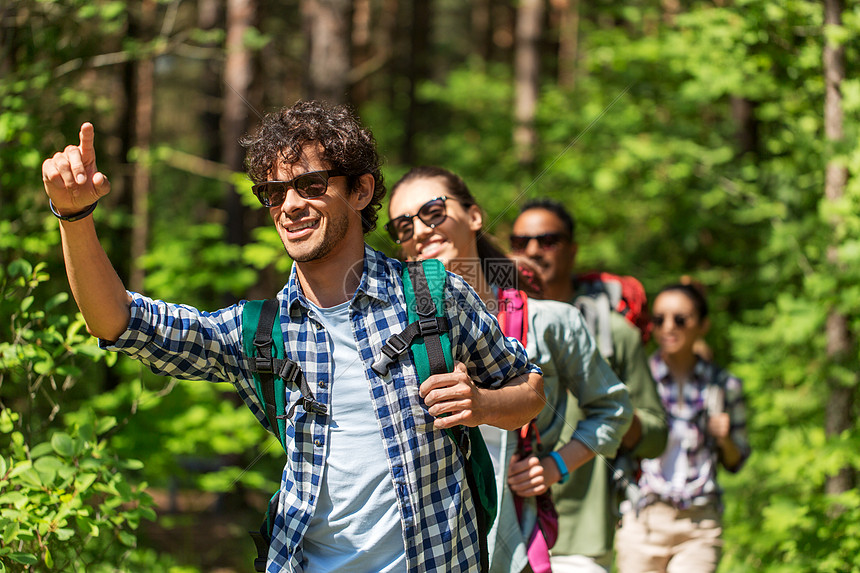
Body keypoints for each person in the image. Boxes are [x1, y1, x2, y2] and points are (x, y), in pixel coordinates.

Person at [40, 101, 546, 573]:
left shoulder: (436, 295)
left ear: (362, 190)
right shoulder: (258, 331)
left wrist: (481, 405)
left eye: (310, 184)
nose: (289, 205)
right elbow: (117, 322)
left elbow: (530, 392)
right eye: (274, 193)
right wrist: (75, 216)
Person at [386, 166, 633, 573]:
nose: (420, 230)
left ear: (475, 217)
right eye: (403, 225)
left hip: (517, 542)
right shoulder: (395, 335)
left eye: (433, 210)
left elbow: (614, 409)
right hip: (429, 548)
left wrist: (555, 465)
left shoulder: (550, 322)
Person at [511, 199, 668, 572]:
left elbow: (656, 436)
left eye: (548, 240)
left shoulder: (614, 334)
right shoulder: (494, 327)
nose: (533, 250)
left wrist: (605, 404)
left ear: (573, 250)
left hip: (582, 532)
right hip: (506, 525)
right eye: (521, 243)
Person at [615, 283, 751, 573]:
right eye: (659, 319)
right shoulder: (637, 381)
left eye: (680, 319)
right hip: (643, 521)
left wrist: (725, 439)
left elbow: (736, 461)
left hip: (699, 525)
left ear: (702, 325)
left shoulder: (724, 385)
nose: (668, 327)